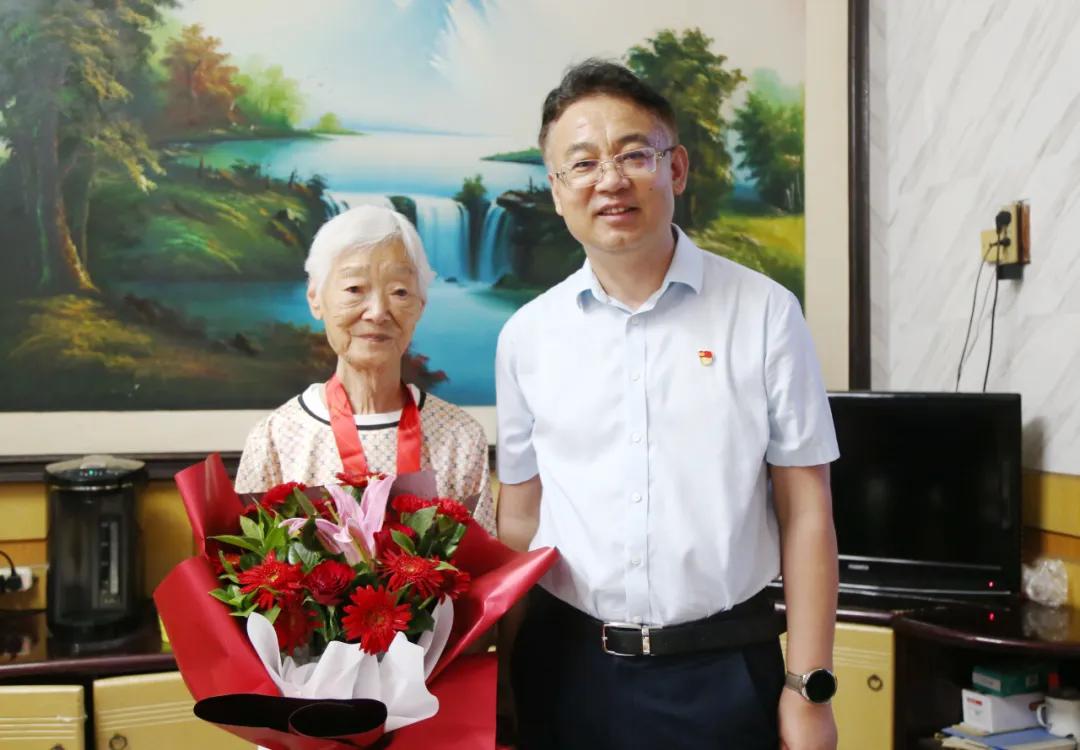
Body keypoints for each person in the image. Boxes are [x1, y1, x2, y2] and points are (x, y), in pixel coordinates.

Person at [495, 60, 840, 749]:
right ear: (557, 190)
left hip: (722, 667)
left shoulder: (765, 314)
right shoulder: (526, 336)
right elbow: (520, 520)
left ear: (675, 169)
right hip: (565, 669)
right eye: (582, 164)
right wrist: (499, 677)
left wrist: (809, 690)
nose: (610, 180)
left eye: (634, 155)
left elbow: (806, 512)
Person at [236, 205, 495, 535]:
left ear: (420, 305)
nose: (377, 312)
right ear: (315, 298)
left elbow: (484, 561)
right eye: (355, 289)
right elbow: (245, 561)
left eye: (399, 292)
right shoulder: (274, 437)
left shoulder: (461, 436)